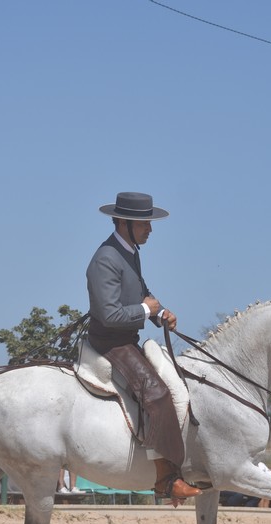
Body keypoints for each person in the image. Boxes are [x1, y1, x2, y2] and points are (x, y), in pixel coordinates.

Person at [86, 191, 200, 502]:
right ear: (123, 223)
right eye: (144, 223)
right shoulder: (104, 259)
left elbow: (142, 292)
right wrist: (148, 311)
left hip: (128, 337)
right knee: (158, 394)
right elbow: (109, 315)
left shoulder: (130, 252)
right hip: (110, 342)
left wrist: (160, 313)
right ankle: (166, 479)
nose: (150, 229)